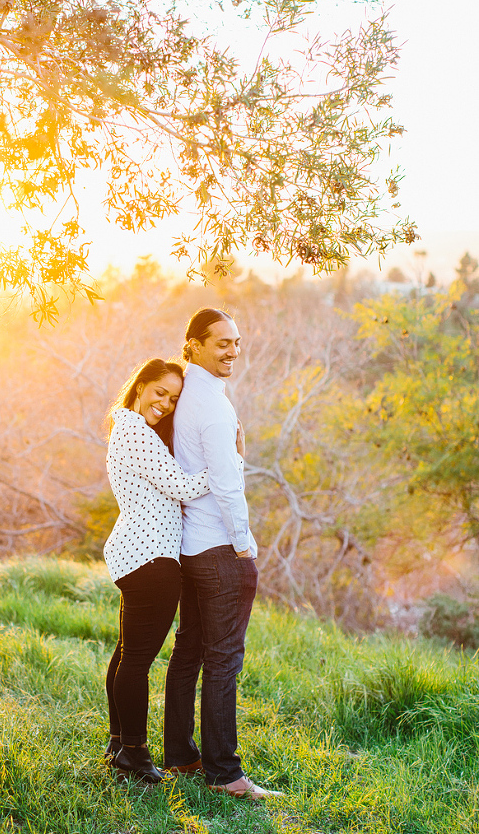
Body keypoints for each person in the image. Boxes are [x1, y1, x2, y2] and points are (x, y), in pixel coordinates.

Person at [163, 308, 281, 800]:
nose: (232, 351)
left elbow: (213, 464)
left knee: (190, 651)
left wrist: (235, 453)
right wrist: (245, 544)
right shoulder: (212, 406)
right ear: (193, 345)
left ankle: (181, 756)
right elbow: (229, 487)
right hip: (217, 548)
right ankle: (226, 774)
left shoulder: (190, 392)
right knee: (224, 659)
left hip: (192, 547)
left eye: (237, 342)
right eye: (221, 343)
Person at [102, 357, 212, 783]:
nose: (164, 404)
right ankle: (134, 752)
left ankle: (119, 743)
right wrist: (231, 463)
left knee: (126, 657)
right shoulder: (135, 432)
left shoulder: (127, 429)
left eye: (173, 398)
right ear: (140, 385)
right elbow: (183, 486)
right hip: (151, 561)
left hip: (138, 557)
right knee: (137, 663)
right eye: (159, 392)